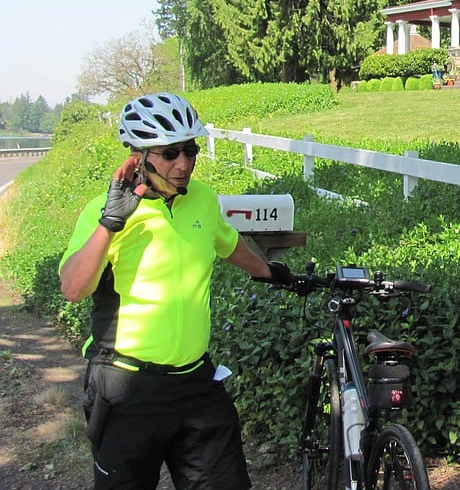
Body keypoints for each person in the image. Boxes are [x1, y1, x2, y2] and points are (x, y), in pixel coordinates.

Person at [59, 92, 291, 490]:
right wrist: (110, 223)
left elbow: (228, 242)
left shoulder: (201, 199)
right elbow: (73, 288)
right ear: (140, 158)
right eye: (170, 153)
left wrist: (270, 272)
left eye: (190, 150)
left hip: (196, 384)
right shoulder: (105, 211)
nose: (183, 164)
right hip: (125, 387)